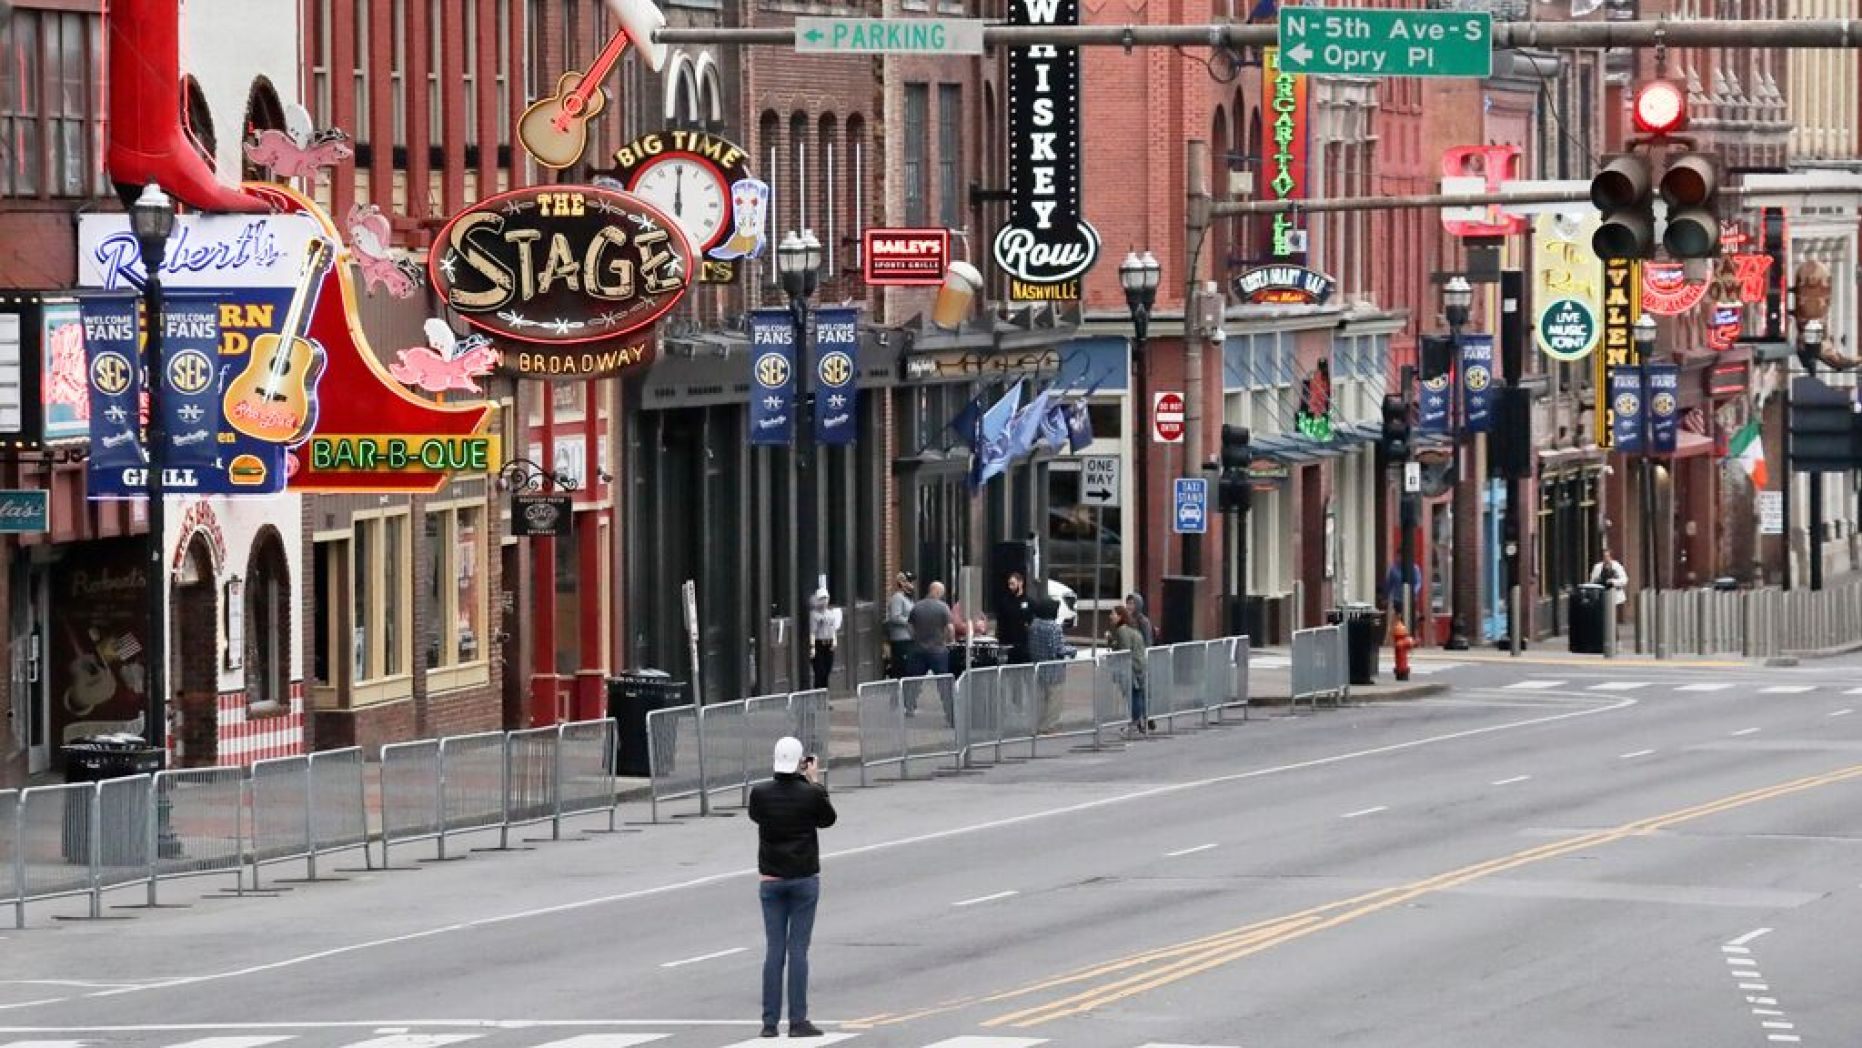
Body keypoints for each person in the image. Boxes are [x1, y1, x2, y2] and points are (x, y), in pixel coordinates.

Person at [748, 737, 836, 1038]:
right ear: (801, 762)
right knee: (798, 950)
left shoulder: (760, 794)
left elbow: (756, 817)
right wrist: (814, 782)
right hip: (803, 878)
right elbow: (828, 819)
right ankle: (798, 1020)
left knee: (775, 950)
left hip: (771, 879)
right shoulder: (810, 795)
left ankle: (769, 1023)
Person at [907, 582, 955, 721]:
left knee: (914, 681)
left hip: (918, 649)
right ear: (937, 592)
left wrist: (914, 638)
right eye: (941, 593)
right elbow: (950, 628)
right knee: (943, 682)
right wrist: (948, 641)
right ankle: (949, 711)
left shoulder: (917, 607)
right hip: (938, 650)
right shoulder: (943, 608)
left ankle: (909, 706)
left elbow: (909, 625)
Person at [1027, 596, 1069, 734]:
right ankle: (1049, 726)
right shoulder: (1054, 628)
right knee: (1054, 698)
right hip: (1054, 668)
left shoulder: (1034, 625)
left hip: (1038, 665)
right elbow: (1058, 649)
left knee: (1041, 698)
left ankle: (1038, 725)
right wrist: (1072, 650)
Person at [1107, 603, 1149, 736]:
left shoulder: (1122, 630)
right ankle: (1140, 722)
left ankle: (1135, 723)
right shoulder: (1131, 629)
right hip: (1138, 665)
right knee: (1136, 695)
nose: (1110, 616)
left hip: (1131, 668)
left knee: (1133, 695)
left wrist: (1111, 642)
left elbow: (1124, 650)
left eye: (1113, 613)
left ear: (1120, 616)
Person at [807, 588, 843, 692]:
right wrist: (812, 647)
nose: (824, 601)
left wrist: (834, 640)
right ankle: (818, 696)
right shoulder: (814, 614)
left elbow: (833, 628)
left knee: (827, 671)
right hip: (819, 643)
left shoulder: (830, 613)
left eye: (826, 598)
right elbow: (812, 632)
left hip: (829, 643)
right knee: (819, 672)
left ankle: (824, 697)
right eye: (822, 598)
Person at [996, 571, 1034, 663]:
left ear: (1021, 583)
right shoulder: (1005, 602)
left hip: (1024, 645)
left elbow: (1032, 621)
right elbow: (1000, 622)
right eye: (1009, 584)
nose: (1010, 587)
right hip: (1008, 644)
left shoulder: (1029, 602)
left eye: (1013, 584)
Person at [884, 572, 916, 678]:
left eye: (912, 582)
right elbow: (895, 616)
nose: (912, 585)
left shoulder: (908, 598)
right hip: (900, 638)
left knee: (908, 666)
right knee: (900, 666)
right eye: (909, 581)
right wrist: (910, 621)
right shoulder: (897, 598)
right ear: (902, 583)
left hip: (909, 637)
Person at [1591, 548, 1628, 622]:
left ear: (1611, 557)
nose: (1606, 558)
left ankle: (1613, 632)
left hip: (1615, 596)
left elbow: (1624, 580)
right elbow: (1593, 581)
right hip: (1602, 596)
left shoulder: (1617, 566)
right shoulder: (1597, 567)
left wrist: (1613, 582)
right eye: (1604, 556)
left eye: (1607, 556)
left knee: (1612, 620)